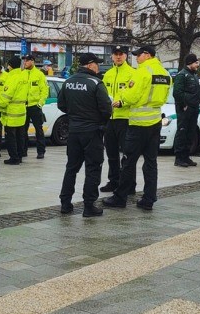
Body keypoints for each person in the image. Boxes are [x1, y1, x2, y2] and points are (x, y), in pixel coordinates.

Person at [103, 45, 171, 211]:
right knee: (151, 162)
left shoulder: (142, 71)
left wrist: (121, 98)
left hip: (138, 123)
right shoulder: (165, 73)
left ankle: (120, 198)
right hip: (155, 121)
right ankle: (149, 199)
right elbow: (165, 96)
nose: (137, 58)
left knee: (128, 161)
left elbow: (132, 95)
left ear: (147, 55)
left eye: (138, 55)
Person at [58, 52, 113, 217]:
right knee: (93, 168)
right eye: (97, 64)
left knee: (71, 168)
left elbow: (62, 105)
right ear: (90, 65)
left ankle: (65, 203)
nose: (98, 67)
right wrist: (97, 121)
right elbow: (106, 109)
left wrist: (75, 116)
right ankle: (89, 206)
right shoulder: (96, 83)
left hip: (74, 132)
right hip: (92, 132)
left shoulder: (68, 82)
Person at [100, 45, 135, 192]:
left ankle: (129, 185)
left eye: (121, 54)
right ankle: (113, 181)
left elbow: (134, 95)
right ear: (112, 56)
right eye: (116, 54)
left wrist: (122, 103)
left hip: (125, 119)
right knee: (111, 153)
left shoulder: (132, 73)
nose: (118, 57)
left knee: (127, 154)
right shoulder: (108, 74)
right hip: (110, 119)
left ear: (126, 56)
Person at [171, 53, 200, 167]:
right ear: (190, 63)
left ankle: (186, 156)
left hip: (194, 109)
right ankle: (179, 158)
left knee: (190, 132)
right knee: (182, 132)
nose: (197, 64)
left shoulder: (193, 75)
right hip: (185, 109)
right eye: (196, 62)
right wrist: (183, 104)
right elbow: (177, 92)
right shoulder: (182, 75)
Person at [0, 56, 28, 165]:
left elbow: (6, 96)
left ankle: (14, 158)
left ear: (10, 66)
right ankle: (19, 156)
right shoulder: (23, 77)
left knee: (11, 137)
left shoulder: (12, 78)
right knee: (20, 136)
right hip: (21, 112)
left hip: (11, 113)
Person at [21, 54, 50, 159]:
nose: (25, 62)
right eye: (24, 61)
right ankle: (23, 151)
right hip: (24, 106)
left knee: (39, 129)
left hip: (35, 106)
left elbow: (45, 90)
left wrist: (40, 104)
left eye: (27, 61)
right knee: (23, 130)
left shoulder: (39, 74)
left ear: (32, 61)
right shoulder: (22, 74)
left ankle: (41, 151)